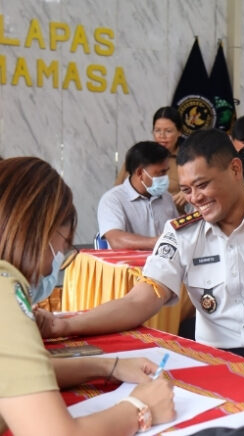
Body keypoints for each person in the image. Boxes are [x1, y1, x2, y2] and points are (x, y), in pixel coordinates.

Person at [36, 129, 244, 382]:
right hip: (216, 362)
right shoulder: (182, 233)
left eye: (202, 185)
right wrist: (63, 325)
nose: (195, 198)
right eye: (187, 190)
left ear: (235, 169)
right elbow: (139, 301)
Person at [0, 157, 176, 434]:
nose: (54, 263)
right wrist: (140, 408)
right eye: (63, 246)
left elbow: (18, 372)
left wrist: (107, 367)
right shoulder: (5, 291)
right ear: (42, 231)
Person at [98, 141, 178, 250]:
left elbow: (177, 233)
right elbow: (116, 240)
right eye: (161, 173)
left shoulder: (166, 198)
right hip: (129, 261)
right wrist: (160, 242)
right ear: (140, 173)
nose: (165, 177)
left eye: (166, 172)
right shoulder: (112, 200)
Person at [117, 107, 189, 213]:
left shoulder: (187, 160)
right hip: (136, 216)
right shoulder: (139, 156)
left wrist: (188, 193)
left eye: (168, 131)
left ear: (179, 132)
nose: (162, 136)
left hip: (173, 218)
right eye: (157, 130)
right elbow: (118, 191)